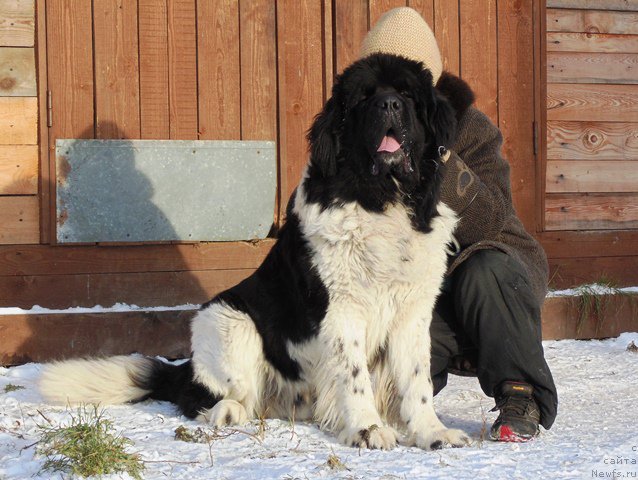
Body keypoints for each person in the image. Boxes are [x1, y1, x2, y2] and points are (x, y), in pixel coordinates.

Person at [359, 7, 558, 442]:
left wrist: (440, 165)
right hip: (421, 297)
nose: (392, 104)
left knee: (486, 272)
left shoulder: (470, 129)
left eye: (407, 90)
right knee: (384, 396)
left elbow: (493, 220)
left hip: (491, 279)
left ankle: (521, 394)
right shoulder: (357, 130)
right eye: (379, 88)